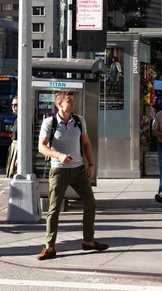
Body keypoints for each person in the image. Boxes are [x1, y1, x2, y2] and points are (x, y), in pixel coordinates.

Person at [37, 89, 109, 260]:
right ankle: (49, 247)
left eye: (72, 100)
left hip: (78, 170)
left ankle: (88, 241)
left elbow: (86, 143)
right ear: (59, 104)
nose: (72, 103)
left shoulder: (79, 120)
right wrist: (59, 155)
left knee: (90, 203)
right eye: (69, 100)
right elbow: (42, 147)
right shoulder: (50, 122)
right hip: (59, 171)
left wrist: (91, 164)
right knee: (54, 208)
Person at [5, 97, 18, 178]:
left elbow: (25, 140)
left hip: (18, 148)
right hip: (14, 146)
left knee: (16, 173)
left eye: (16, 105)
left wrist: (20, 157)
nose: (13, 107)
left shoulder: (24, 120)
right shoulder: (17, 119)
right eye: (12, 105)